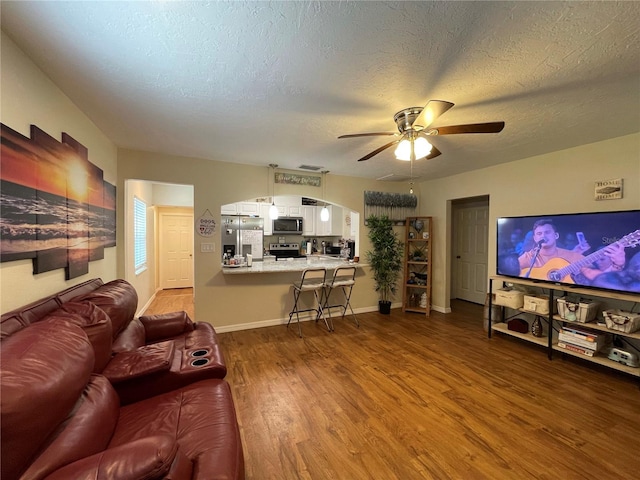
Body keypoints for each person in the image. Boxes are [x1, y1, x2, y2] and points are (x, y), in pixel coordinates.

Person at [518, 219, 625, 284]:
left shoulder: (574, 256)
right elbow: (510, 272)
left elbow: (598, 277)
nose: (543, 236)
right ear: (535, 238)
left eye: (547, 232)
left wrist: (618, 264)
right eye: (539, 234)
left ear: (556, 235)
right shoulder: (529, 256)